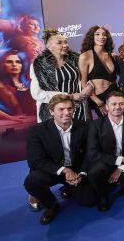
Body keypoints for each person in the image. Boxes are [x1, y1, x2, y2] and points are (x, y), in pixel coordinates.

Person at [23, 94, 97, 225]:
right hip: (53, 169)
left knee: (89, 201)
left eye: (70, 109)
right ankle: (51, 205)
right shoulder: (37, 131)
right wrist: (64, 170)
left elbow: (89, 153)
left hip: (77, 170)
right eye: (61, 109)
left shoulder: (85, 126)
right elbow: (35, 161)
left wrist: (83, 172)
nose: (67, 113)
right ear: (51, 111)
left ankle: (68, 188)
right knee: (32, 181)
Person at [86, 91, 124, 211]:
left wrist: (120, 168)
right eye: (114, 104)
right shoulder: (96, 125)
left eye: (121, 104)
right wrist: (119, 160)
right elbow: (92, 153)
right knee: (95, 172)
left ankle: (118, 182)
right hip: (105, 161)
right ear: (107, 106)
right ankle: (103, 196)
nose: (117, 107)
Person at [30, 28, 91, 122]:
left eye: (66, 42)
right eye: (59, 43)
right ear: (49, 47)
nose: (65, 45)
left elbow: (89, 78)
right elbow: (37, 94)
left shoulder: (76, 60)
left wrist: (89, 87)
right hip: (53, 112)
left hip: (77, 110)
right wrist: (69, 96)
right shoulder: (38, 65)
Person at [79, 26, 119, 117]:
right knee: (103, 128)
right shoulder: (85, 56)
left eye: (104, 34)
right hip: (98, 98)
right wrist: (98, 102)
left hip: (114, 95)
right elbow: (83, 84)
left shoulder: (112, 55)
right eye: (97, 34)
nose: (101, 37)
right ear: (91, 37)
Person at [0, 50, 36, 116]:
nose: (14, 65)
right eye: (9, 62)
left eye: (18, 62)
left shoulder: (29, 84)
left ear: (22, 65)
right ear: (2, 64)